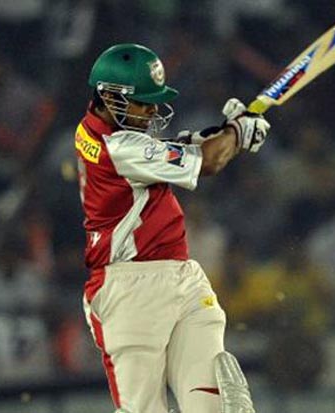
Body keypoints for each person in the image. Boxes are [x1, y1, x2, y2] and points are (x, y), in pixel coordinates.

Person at [74, 43, 270, 413]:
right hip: (128, 290)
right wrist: (236, 134)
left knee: (212, 402)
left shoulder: (107, 132)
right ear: (109, 96)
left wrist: (220, 134)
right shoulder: (116, 145)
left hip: (182, 278)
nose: (151, 110)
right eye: (143, 102)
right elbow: (209, 163)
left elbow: (163, 151)